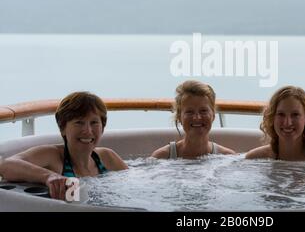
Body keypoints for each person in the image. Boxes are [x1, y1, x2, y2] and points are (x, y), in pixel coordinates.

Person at [0, 92, 128, 200]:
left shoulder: (107, 157)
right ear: (62, 128)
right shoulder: (53, 156)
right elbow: (6, 166)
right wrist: (50, 176)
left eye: (94, 122)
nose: (88, 130)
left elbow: (134, 185)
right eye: (79, 122)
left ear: (102, 128)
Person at [245, 86, 305, 162]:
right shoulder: (254, 158)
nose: (287, 122)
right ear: (272, 118)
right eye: (281, 114)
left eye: (295, 115)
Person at [151, 80, 235, 159]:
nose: (197, 117)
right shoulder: (162, 157)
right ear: (179, 117)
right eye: (189, 112)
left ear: (213, 115)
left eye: (203, 111)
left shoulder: (227, 157)